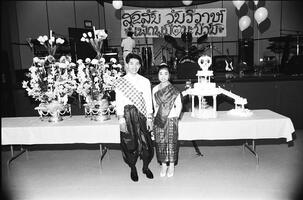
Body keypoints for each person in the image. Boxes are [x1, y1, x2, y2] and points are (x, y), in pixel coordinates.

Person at [114, 53, 154, 182]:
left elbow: (148, 101)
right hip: (127, 115)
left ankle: (145, 167)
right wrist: (121, 120)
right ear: (126, 64)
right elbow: (119, 102)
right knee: (129, 144)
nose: (134, 66)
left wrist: (149, 118)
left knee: (146, 144)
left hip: (142, 115)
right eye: (131, 63)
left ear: (140, 65)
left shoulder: (145, 81)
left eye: (137, 64)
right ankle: (133, 168)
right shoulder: (121, 82)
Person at [152, 65, 182, 177]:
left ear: (169, 75)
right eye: (161, 73)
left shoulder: (174, 90)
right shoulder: (154, 89)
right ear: (158, 75)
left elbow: (179, 106)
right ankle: (164, 164)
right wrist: (157, 115)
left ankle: (172, 165)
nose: (163, 76)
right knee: (160, 143)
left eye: (166, 73)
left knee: (171, 142)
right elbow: (155, 106)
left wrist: (175, 117)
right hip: (159, 119)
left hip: (171, 119)